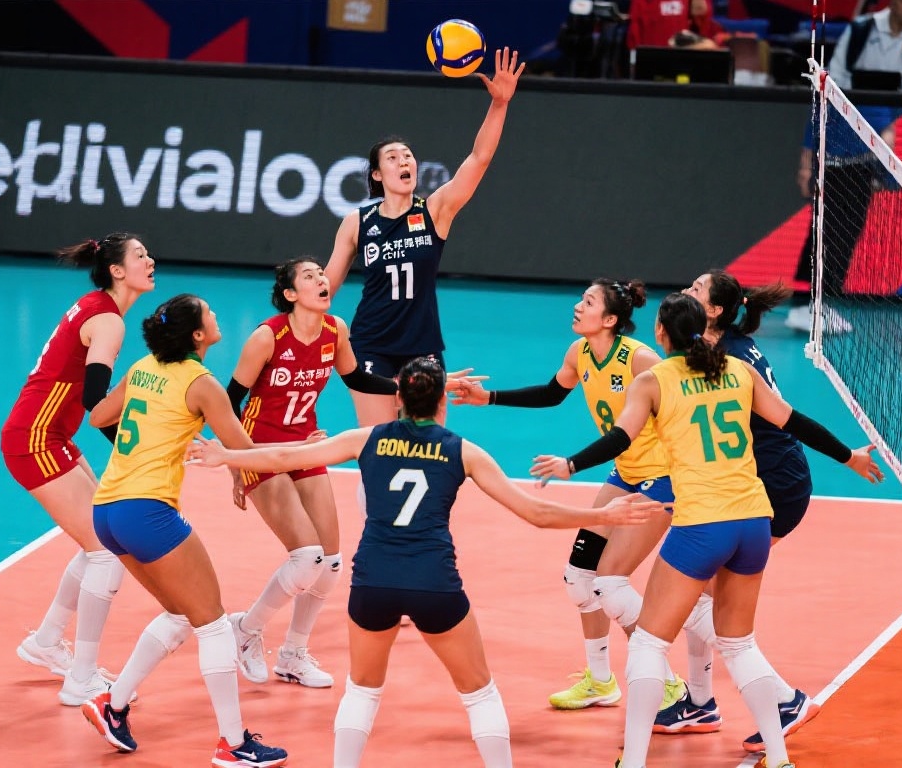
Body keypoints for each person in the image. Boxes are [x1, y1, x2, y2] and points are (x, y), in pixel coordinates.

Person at [185, 356, 667, 768]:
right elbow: (536, 513)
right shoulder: (463, 451)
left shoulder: (365, 438)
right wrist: (603, 516)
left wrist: (227, 456)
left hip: (373, 582)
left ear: (397, 398)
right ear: (442, 403)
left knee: (362, 691)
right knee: (479, 693)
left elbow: (286, 456)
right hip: (435, 584)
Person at [530, 293, 883, 768]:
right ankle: (778, 758)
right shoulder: (738, 370)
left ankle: (633, 761)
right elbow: (796, 422)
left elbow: (619, 438)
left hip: (702, 522)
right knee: (739, 643)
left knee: (649, 642)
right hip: (753, 521)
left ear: (661, 333)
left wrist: (571, 464)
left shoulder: (654, 380)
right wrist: (849, 457)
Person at [450, 279, 697, 716]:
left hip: (664, 478)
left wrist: (572, 464)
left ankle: (667, 684)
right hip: (628, 474)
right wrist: (487, 398)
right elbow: (552, 393)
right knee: (579, 576)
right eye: (581, 299)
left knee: (610, 581)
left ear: (610, 319)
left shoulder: (640, 359)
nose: (578, 306)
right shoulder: (579, 352)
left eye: (589, 302)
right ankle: (600, 681)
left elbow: (631, 432)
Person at [80, 294, 287, 767]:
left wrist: (167, 431)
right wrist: (299, 450)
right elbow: (244, 449)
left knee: (178, 613)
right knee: (213, 622)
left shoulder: (143, 366)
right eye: (209, 313)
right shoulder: (202, 384)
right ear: (197, 335)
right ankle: (233, 745)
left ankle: (113, 705)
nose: (216, 315)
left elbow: (99, 417)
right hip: (147, 512)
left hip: (108, 510)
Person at [324, 47, 524, 432]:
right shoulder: (356, 222)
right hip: (370, 345)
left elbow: (478, 158)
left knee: (430, 445)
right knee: (378, 443)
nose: (404, 161)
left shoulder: (435, 211)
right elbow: (326, 289)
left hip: (423, 347)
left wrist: (499, 104)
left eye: (408, 156)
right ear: (377, 174)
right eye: (393, 157)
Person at [223, 256, 400, 689]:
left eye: (322, 274)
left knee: (331, 563)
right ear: (290, 294)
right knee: (307, 557)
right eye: (309, 276)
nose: (322, 279)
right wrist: (237, 463)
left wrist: (410, 386)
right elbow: (228, 402)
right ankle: (245, 629)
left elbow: (357, 379)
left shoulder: (335, 330)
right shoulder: (267, 337)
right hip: (261, 449)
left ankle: (292, 656)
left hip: (305, 445)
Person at [2, 233, 155, 706]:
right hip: (36, 440)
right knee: (107, 550)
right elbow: (95, 402)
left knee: (102, 540)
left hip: (47, 435)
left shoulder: (96, 307)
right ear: (116, 270)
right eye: (140, 256)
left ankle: (46, 641)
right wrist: (137, 448)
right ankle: (81, 679)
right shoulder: (108, 320)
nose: (150, 260)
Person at [683, 269, 822, 750]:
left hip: (773, 486)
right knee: (698, 594)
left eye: (696, 289)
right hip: (761, 482)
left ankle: (785, 700)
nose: (686, 291)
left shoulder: (729, 358)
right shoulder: (722, 345)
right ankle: (699, 702)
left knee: (700, 599)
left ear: (715, 310)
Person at [786, 106, 902, 335]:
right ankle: (804, 305)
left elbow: (887, 130)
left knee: (846, 238)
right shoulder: (833, 92)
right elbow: (814, 125)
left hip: (863, 170)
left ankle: (822, 304)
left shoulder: (883, 103)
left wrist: (883, 169)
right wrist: (805, 168)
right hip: (832, 170)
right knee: (825, 236)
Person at [827, 0, 902, 94]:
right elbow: (837, 71)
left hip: (901, 108)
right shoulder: (861, 28)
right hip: (856, 103)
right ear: (892, 3)